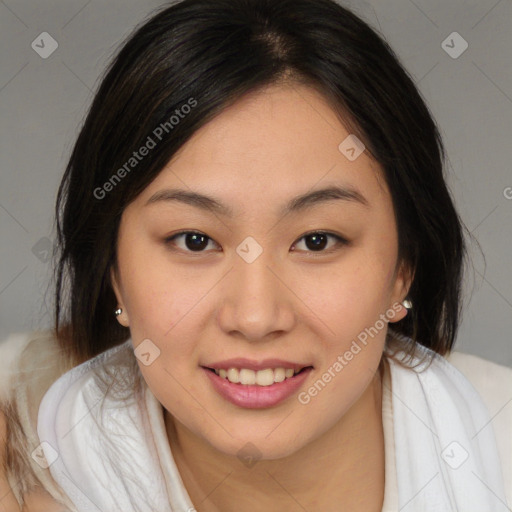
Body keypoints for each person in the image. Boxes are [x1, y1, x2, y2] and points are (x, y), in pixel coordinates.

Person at [1, 0, 511, 510]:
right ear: (113, 270)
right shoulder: (19, 448)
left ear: (404, 269)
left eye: (317, 241)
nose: (255, 316)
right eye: (194, 240)